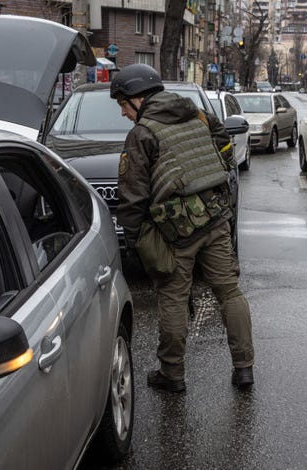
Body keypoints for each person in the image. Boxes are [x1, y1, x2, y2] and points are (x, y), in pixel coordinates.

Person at [110, 63, 255, 393]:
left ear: (137, 98)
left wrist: (135, 242)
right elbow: (225, 152)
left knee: (173, 297)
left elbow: (133, 196)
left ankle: (172, 374)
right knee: (228, 291)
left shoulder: (142, 134)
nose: (122, 113)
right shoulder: (198, 114)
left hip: (175, 231)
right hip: (216, 217)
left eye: (122, 104)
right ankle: (244, 368)